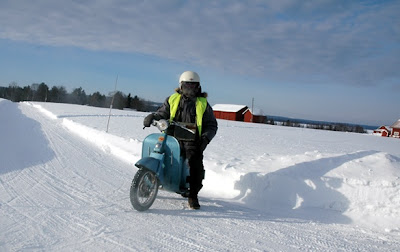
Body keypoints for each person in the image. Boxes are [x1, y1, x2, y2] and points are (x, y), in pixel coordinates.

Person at [143, 71, 218, 209]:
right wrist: (152, 116)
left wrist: (205, 139)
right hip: (171, 137)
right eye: (187, 84)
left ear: (198, 86)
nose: (190, 87)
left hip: (192, 141)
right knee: (156, 154)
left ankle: (193, 195)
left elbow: (211, 125)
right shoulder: (172, 99)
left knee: (195, 163)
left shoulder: (203, 104)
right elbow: (162, 113)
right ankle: (148, 182)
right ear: (181, 85)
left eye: (193, 85)